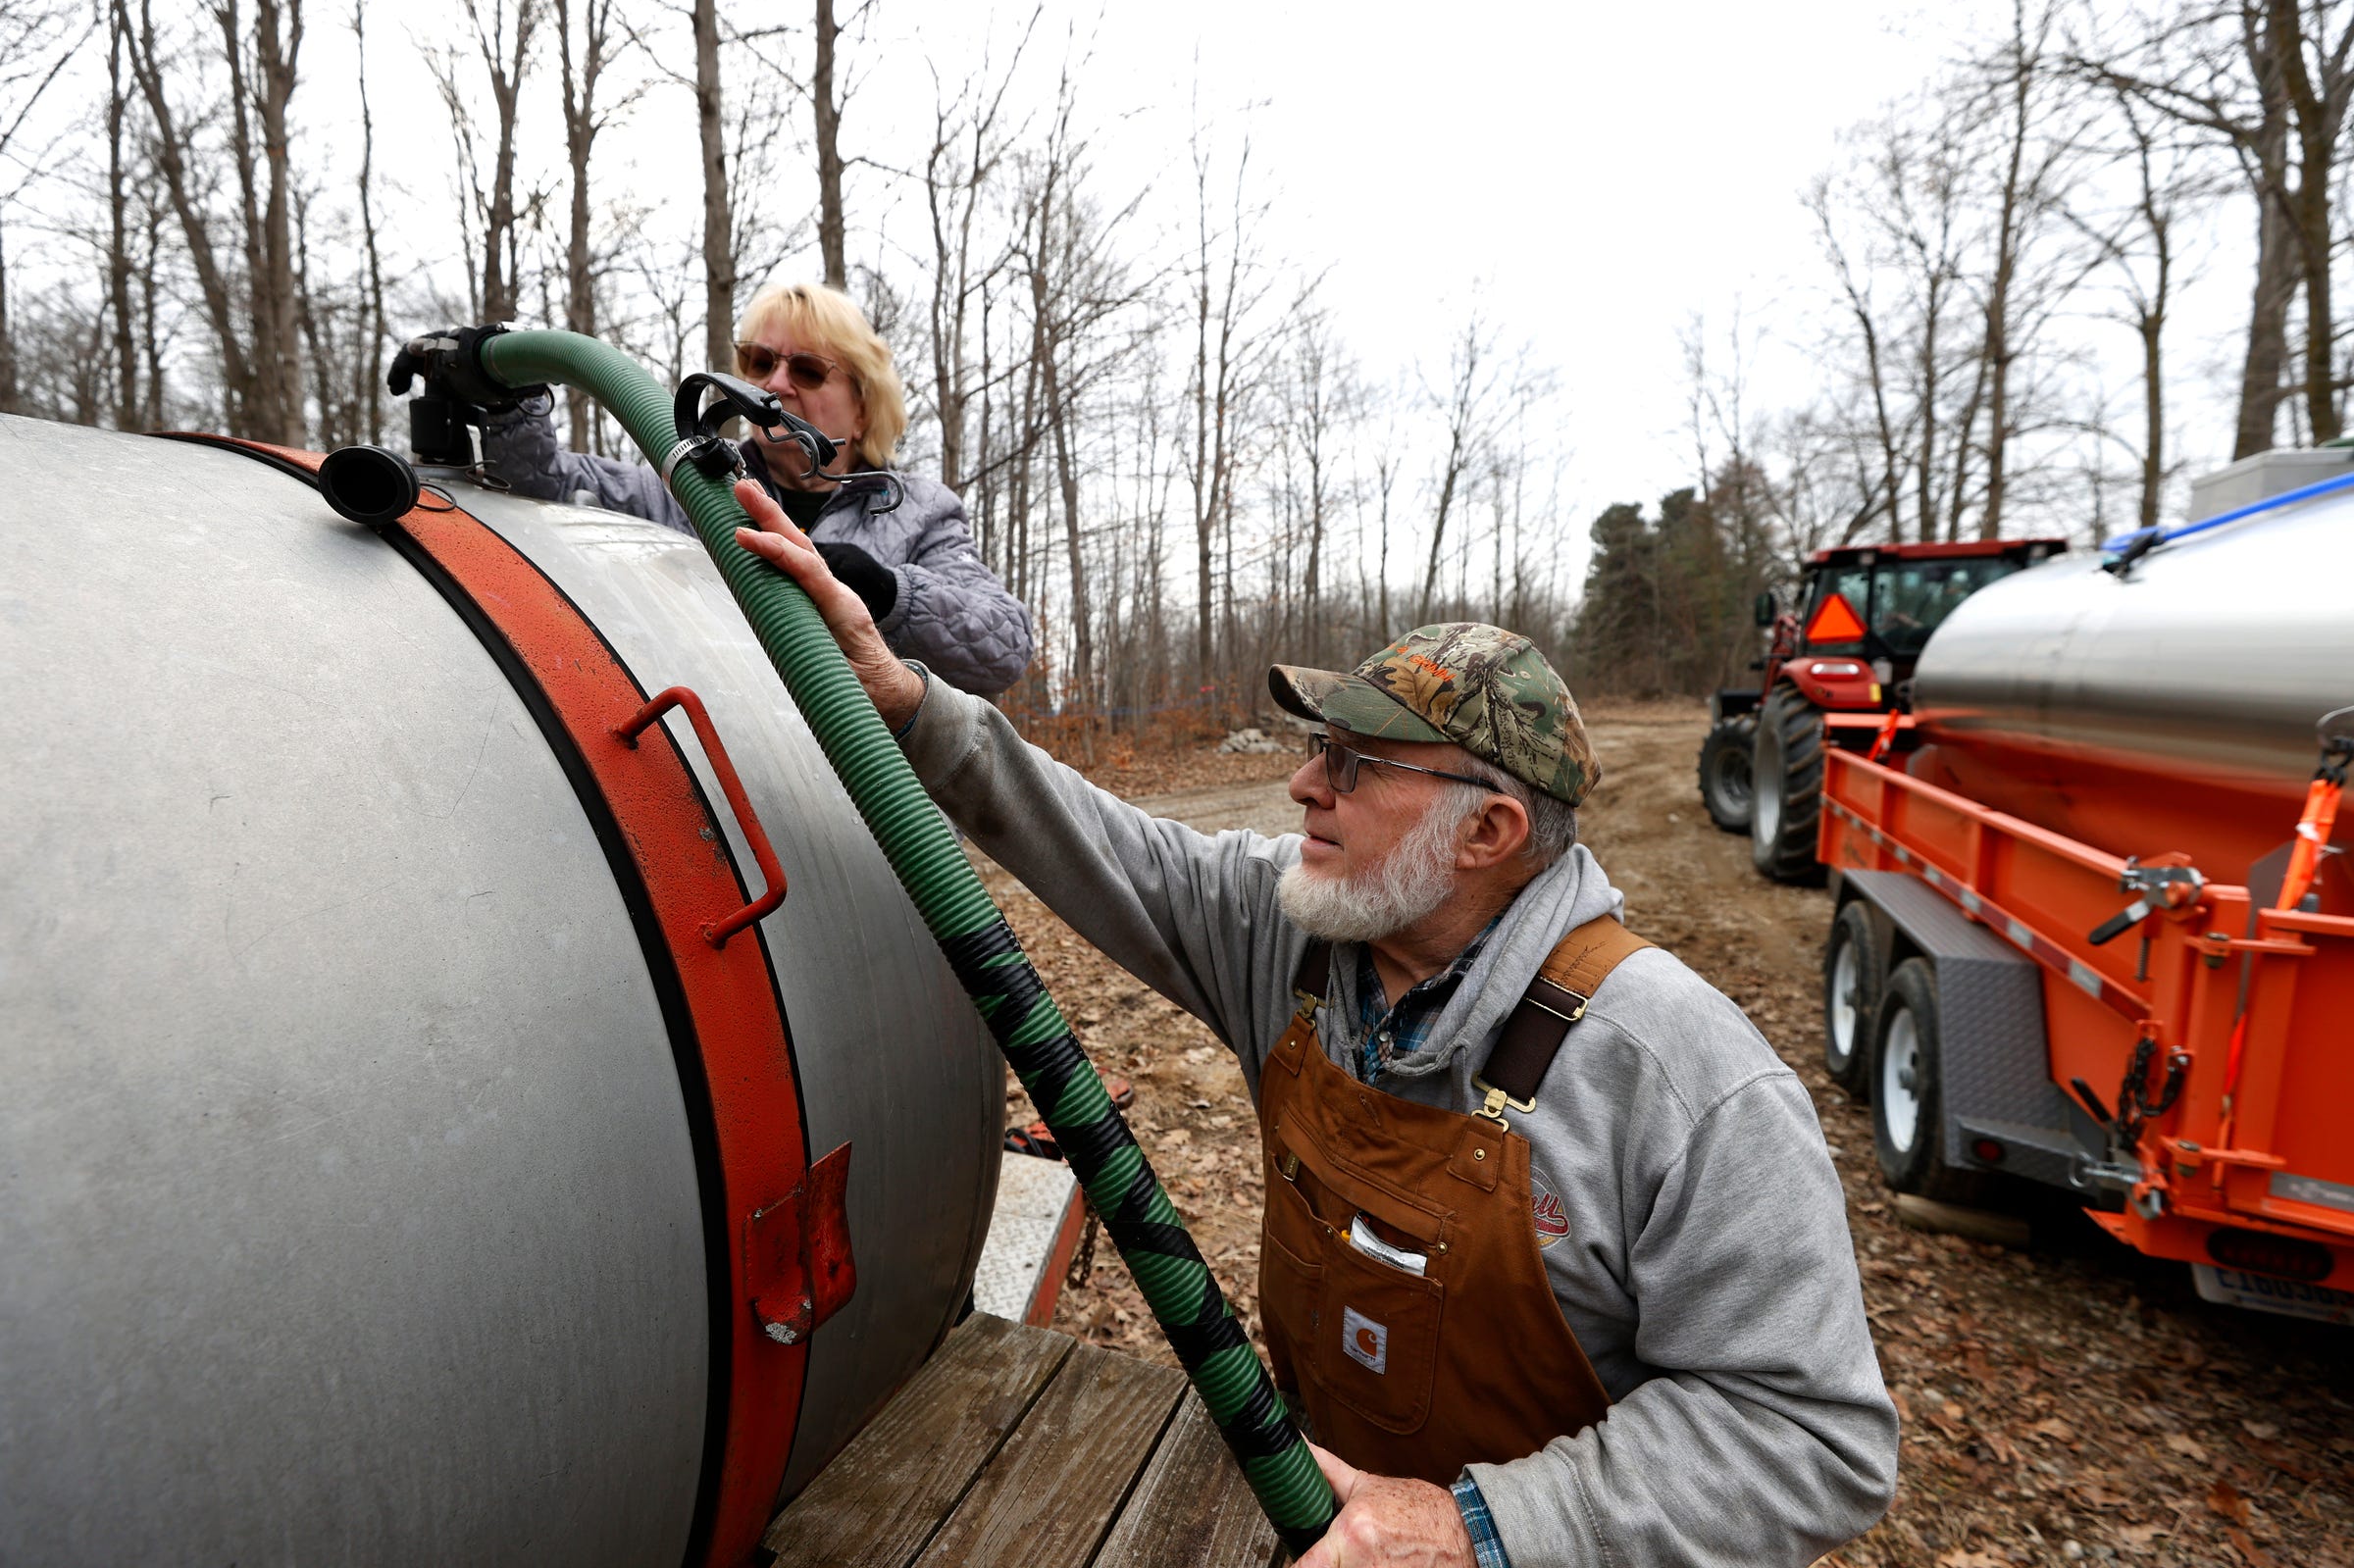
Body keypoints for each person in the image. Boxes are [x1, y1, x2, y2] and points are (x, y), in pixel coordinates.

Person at [727, 481, 1898, 1567]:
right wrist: (912, 704)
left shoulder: (1682, 1076)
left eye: (1352, 762)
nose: (1303, 786)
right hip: (1315, 1519)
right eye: (1311, 750)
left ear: (1487, 832)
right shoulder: (1297, 936)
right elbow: (1099, 840)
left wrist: (1473, 1527)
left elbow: (1810, 1434)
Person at [474, 283, 1033, 698]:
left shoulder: (919, 512)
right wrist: (506, 394)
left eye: (808, 370)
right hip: (730, 803)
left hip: (877, 827)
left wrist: (885, 592)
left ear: (862, 409)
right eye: (759, 361)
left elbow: (1004, 648)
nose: (774, 384)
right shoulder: (691, 479)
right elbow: (544, 486)